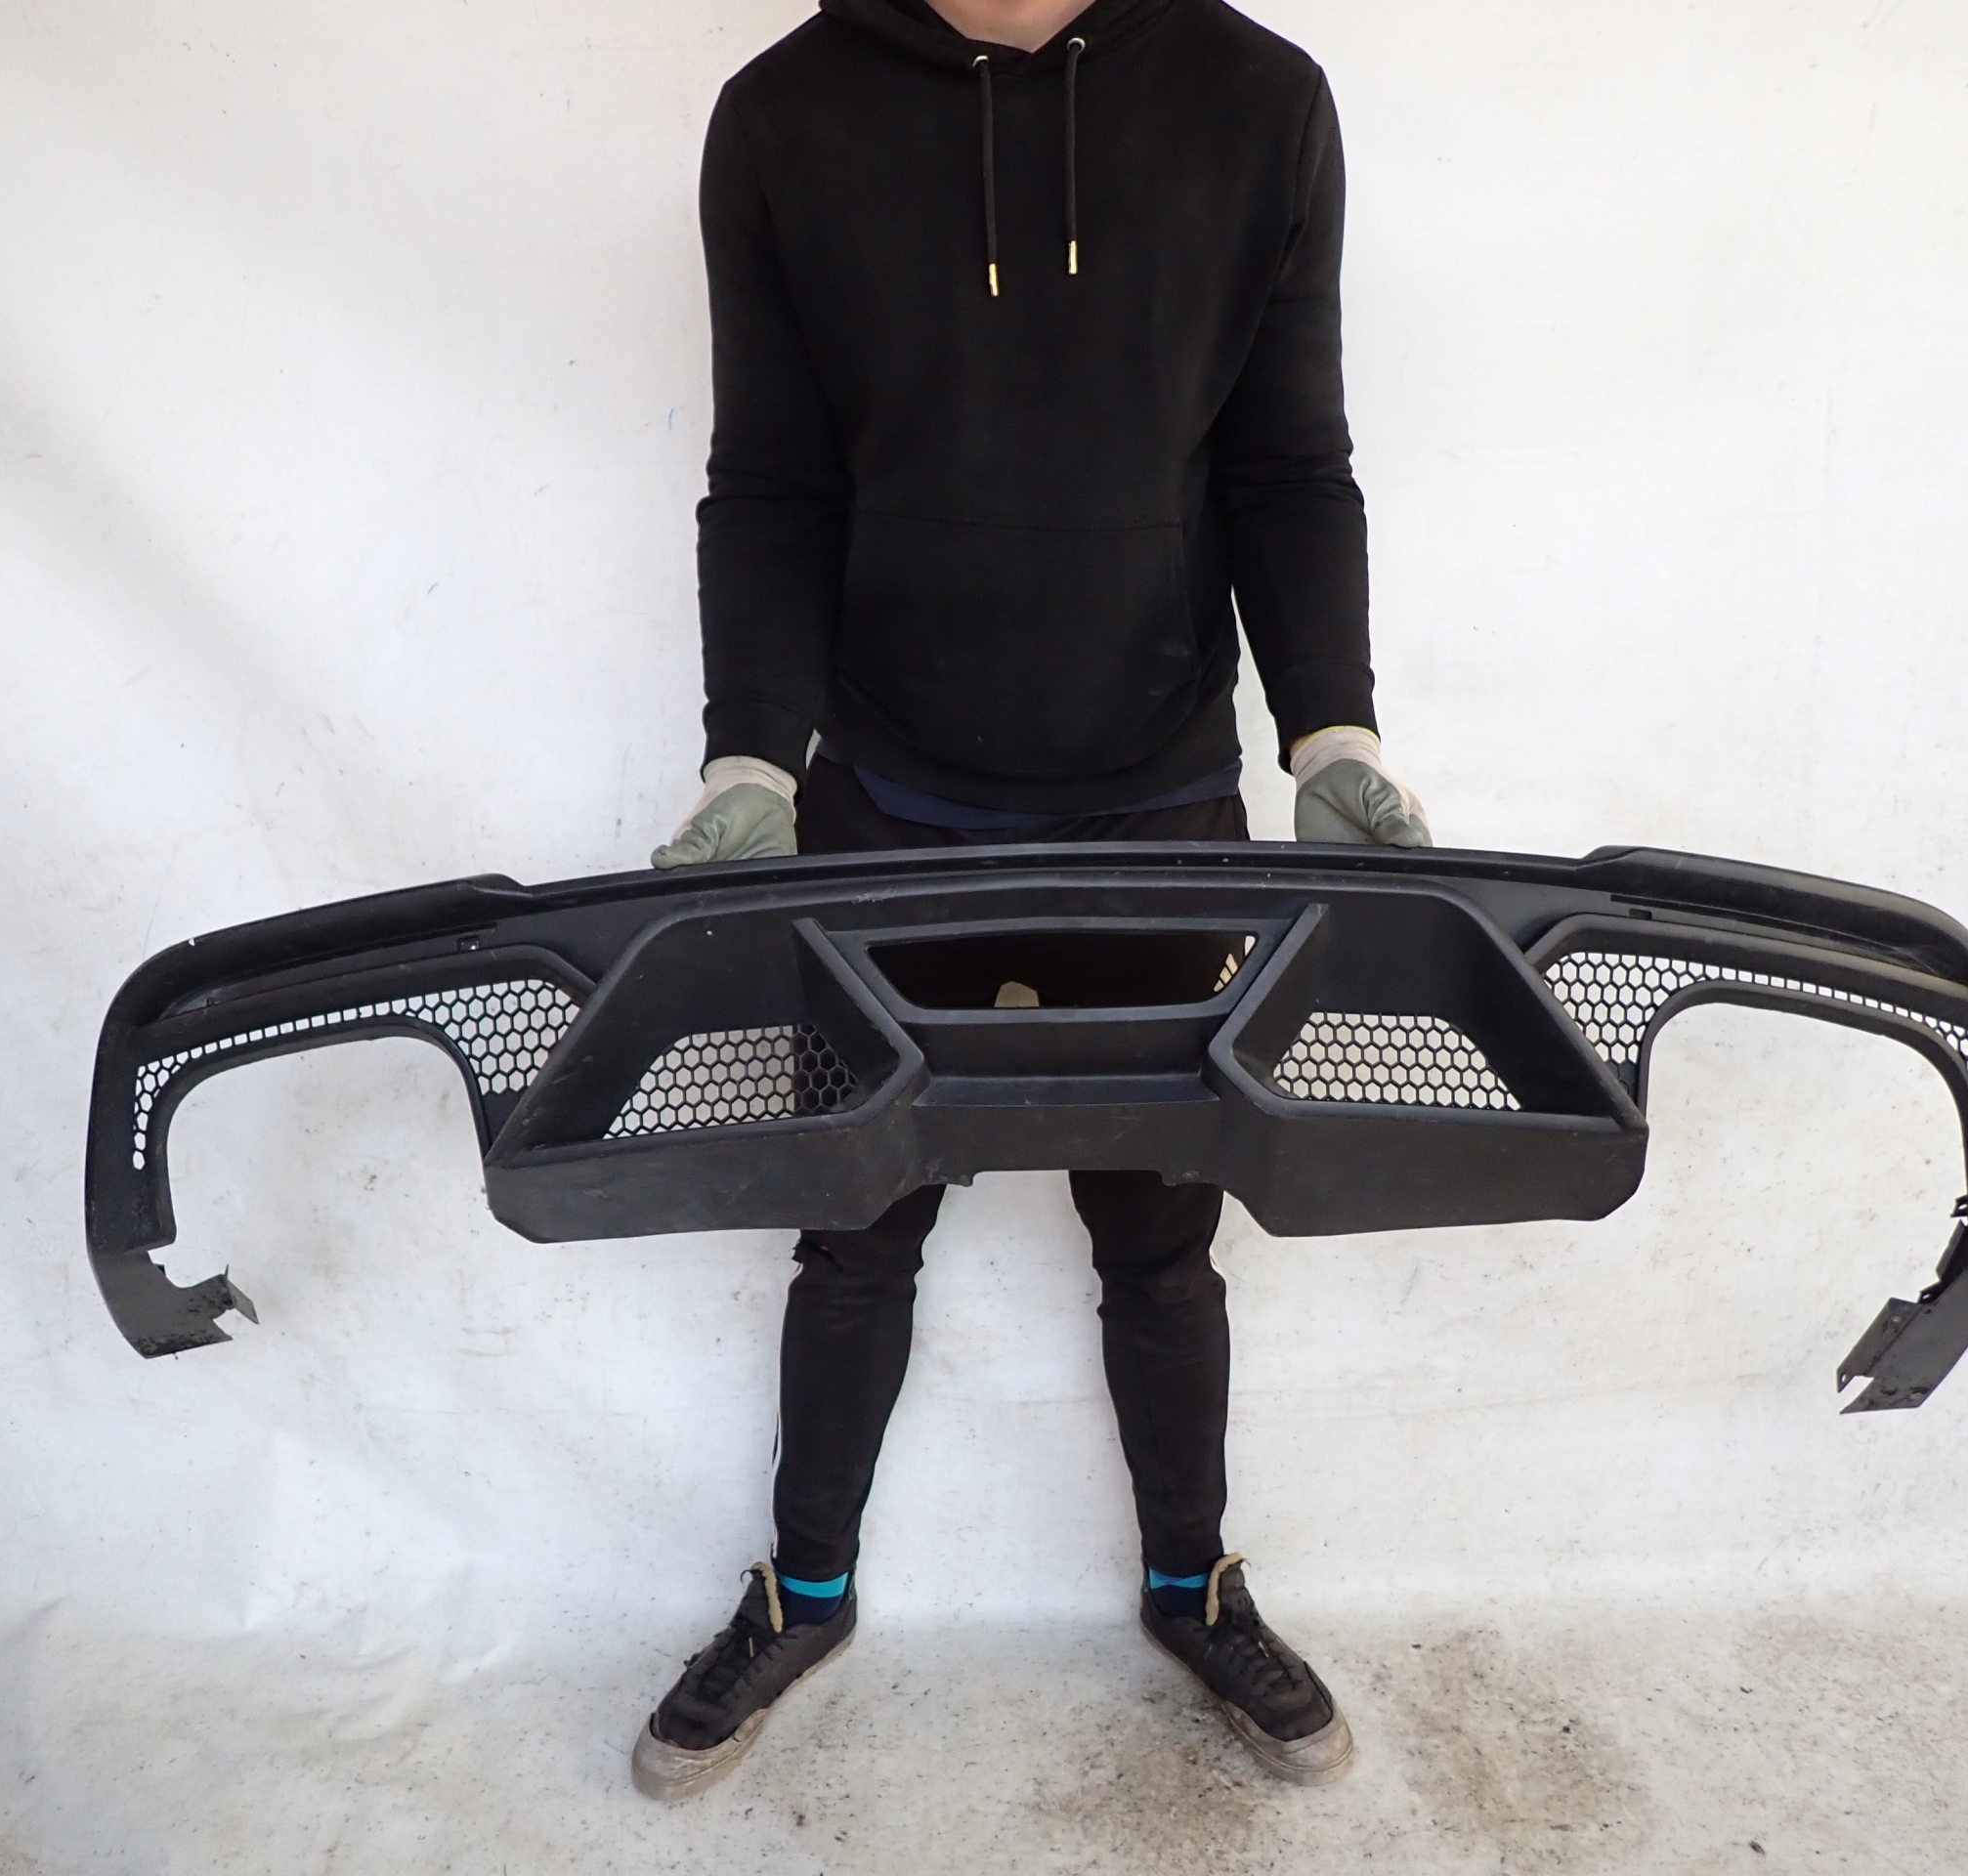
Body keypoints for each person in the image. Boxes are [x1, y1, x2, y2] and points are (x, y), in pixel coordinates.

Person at [629, 0, 1431, 1800]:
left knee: (1162, 1237)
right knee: (854, 1228)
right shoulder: (785, 117)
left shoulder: (1258, 102)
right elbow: (771, 481)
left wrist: (1332, 731)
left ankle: (1191, 1585)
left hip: (1156, 804)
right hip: (886, 807)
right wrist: (751, 761)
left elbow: (1286, 463)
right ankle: (805, 1591)